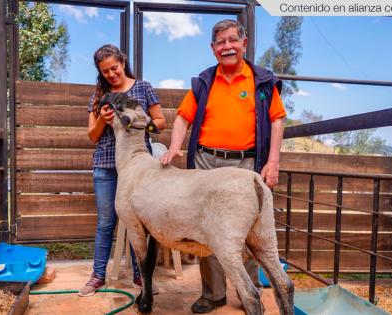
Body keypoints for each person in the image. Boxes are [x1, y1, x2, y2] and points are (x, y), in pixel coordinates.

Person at [160, 19, 286, 313]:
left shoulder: (262, 81)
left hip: (247, 162)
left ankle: (248, 293)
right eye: (220, 42)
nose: (227, 46)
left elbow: (277, 119)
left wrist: (273, 161)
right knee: (208, 231)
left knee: (250, 232)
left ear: (244, 43)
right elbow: (182, 117)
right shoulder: (204, 81)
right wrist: (175, 146)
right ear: (213, 48)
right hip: (206, 161)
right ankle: (213, 293)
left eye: (232, 40)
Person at [79, 44, 166, 297]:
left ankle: (141, 277)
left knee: (138, 221)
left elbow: (160, 122)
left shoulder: (143, 87)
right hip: (106, 166)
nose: (111, 74)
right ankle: (97, 276)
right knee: (106, 222)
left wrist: (142, 121)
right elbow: (92, 137)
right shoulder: (98, 96)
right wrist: (102, 121)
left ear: (123, 63)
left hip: (139, 168)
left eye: (114, 68)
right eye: (105, 71)